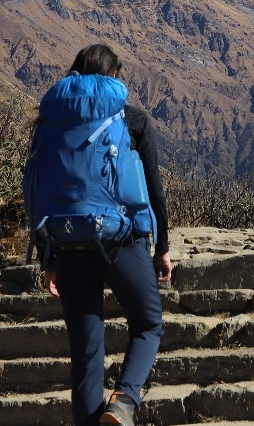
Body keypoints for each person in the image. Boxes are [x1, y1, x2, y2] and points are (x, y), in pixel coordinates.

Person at [34, 44, 173, 426]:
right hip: (121, 243)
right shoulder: (133, 120)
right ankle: (124, 402)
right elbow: (152, 189)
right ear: (113, 76)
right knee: (147, 325)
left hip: (67, 245)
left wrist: (47, 257)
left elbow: (35, 187)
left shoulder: (49, 122)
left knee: (85, 357)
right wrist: (161, 248)